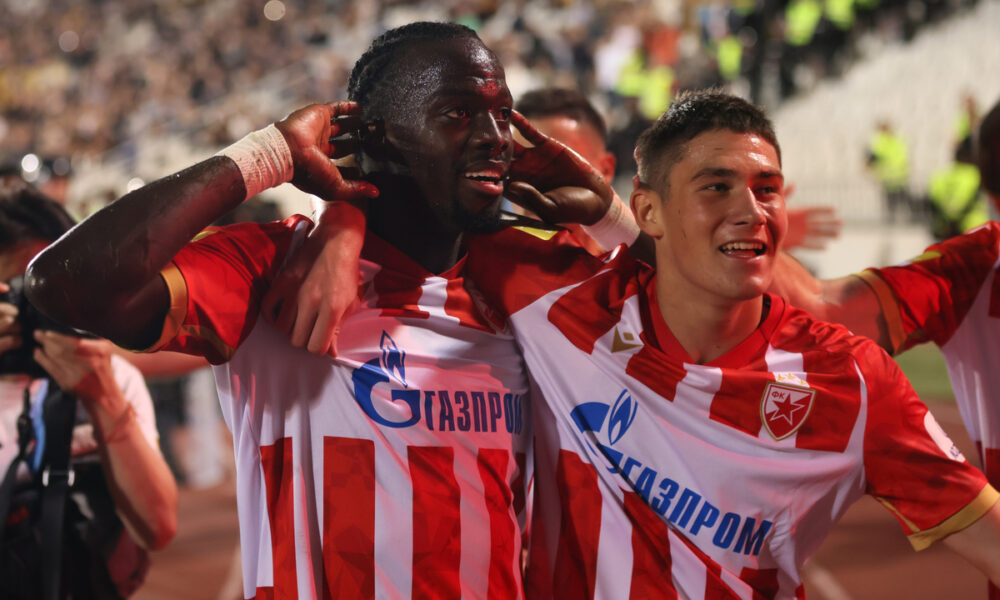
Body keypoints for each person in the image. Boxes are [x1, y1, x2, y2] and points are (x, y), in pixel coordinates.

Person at [25, 22, 613, 598]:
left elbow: (686, 325)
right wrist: (271, 153)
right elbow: (66, 285)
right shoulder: (276, 269)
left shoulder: (523, 284)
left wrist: (610, 216)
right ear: (376, 140)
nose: (496, 135)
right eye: (458, 113)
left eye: (502, 113)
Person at [458, 90, 1000, 597]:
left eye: (767, 189)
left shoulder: (851, 379)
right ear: (647, 211)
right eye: (716, 186)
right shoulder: (557, 298)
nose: (752, 210)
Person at [770, 96, 1000, 598]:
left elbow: (825, 313)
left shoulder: (973, 268)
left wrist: (751, 239)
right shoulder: (971, 267)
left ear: (985, 184)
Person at [0, 179, 177, 597]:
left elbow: (157, 528)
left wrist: (101, 398)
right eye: (22, 290)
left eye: (53, 287)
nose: (41, 307)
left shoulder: (109, 376)